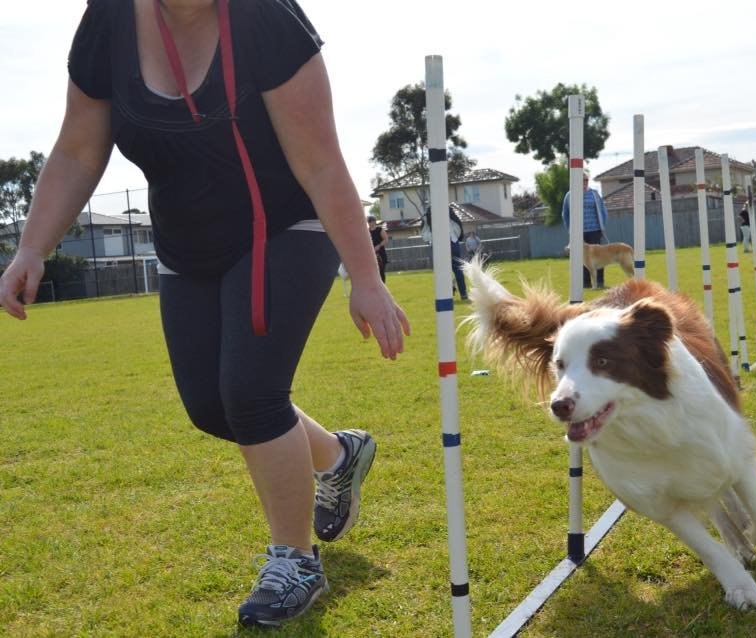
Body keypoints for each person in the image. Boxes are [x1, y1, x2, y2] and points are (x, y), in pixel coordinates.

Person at [0, 0, 410, 628]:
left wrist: (365, 277)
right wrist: (32, 246)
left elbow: (320, 160)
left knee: (250, 393)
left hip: (286, 227)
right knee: (212, 406)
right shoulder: (108, 21)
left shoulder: (266, 18)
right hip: (187, 247)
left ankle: (294, 561)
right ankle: (335, 455)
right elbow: (79, 151)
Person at [562, 171, 608, 288]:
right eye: (583, 180)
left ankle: (599, 281)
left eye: (586, 179)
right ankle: (586, 283)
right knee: (583, 258)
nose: (585, 182)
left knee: (599, 256)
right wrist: (570, 230)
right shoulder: (570, 195)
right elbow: (565, 214)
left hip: (595, 230)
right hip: (579, 232)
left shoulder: (594, 194)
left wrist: (602, 225)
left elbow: (603, 210)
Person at [422, 205, 468, 300]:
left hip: (438, 243)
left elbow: (424, 232)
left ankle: (447, 293)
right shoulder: (447, 210)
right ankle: (463, 294)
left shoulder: (428, 214)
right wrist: (456, 237)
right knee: (458, 269)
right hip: (452, 241)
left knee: (441, 270)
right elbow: (458, 225)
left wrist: (430, 240)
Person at [368, 213, 389, 281]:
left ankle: (382, 287)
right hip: (371, 254)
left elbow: (386, 240)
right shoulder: (367, 231)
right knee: (372, 273)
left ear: (374, 221)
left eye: (371, 221)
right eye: (369, 221)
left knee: (381, 272)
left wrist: (379, 245)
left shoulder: (380, 230)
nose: (370, 223)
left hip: (380, 254)